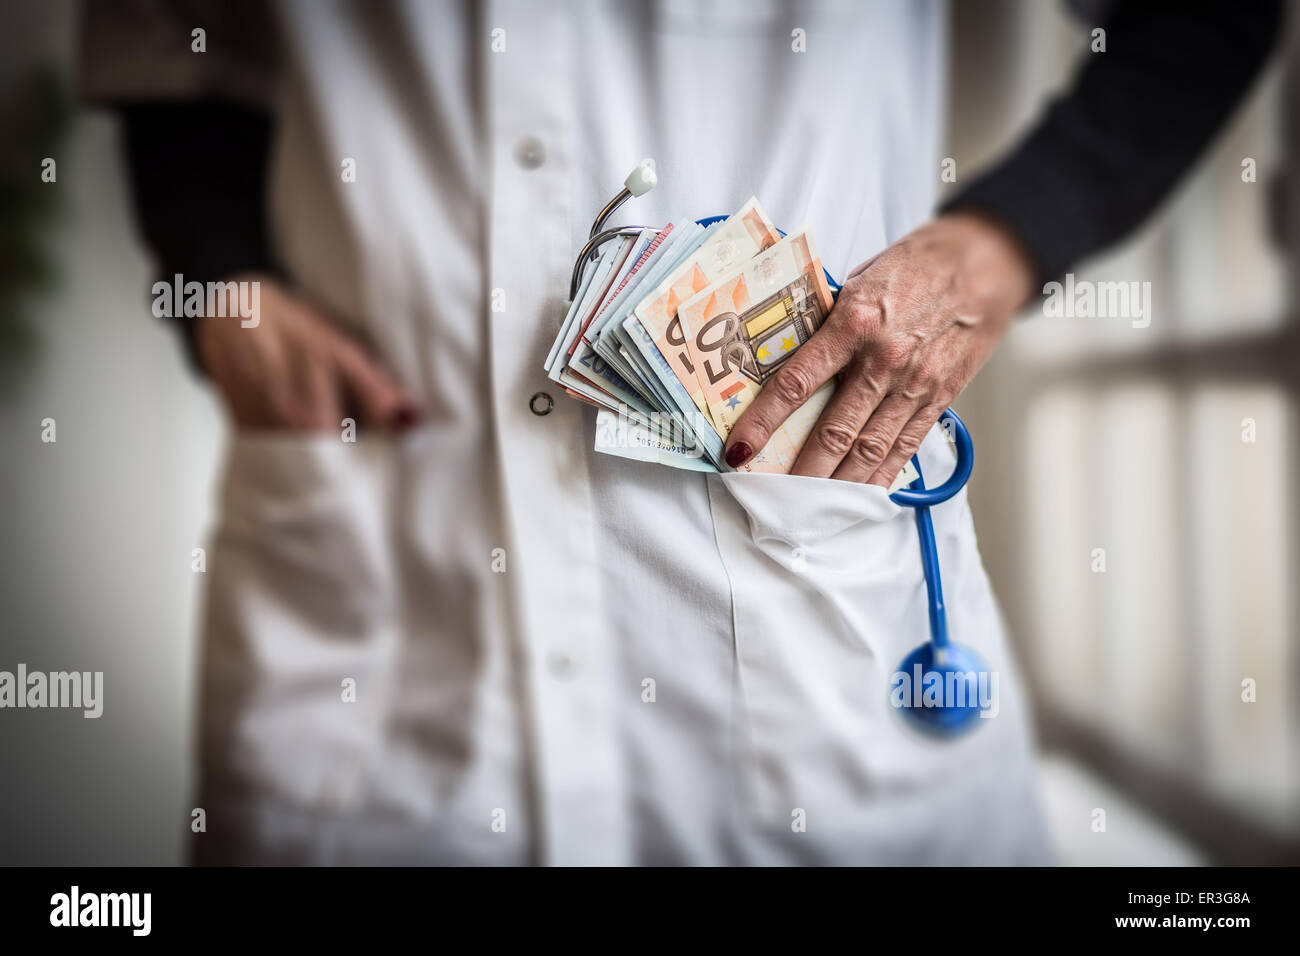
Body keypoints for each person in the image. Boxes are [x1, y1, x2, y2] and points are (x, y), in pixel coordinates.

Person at [80, 0, 1281, 865]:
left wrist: (1007, 239)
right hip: (384, 563)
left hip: (800, 588)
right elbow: (172, 49)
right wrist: (216, 275)